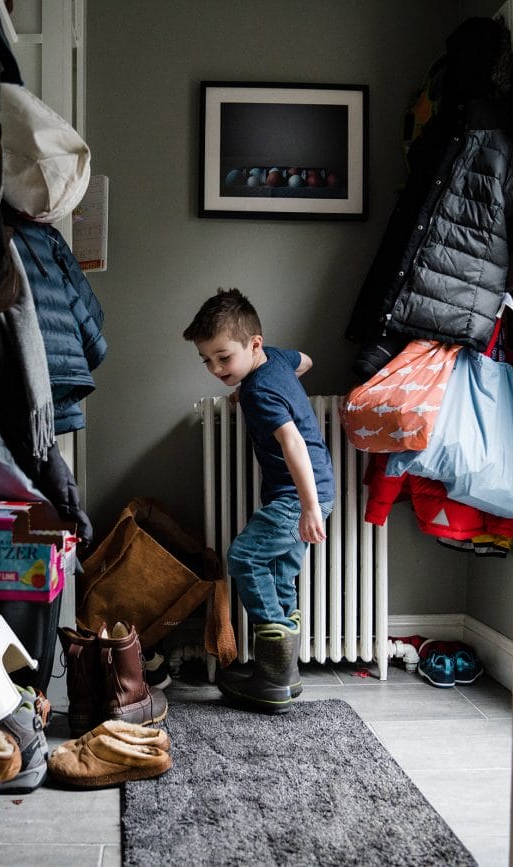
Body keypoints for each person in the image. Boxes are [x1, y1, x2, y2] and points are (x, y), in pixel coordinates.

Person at [182, 288, 335, 712]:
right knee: (282, 576)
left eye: (224, 357)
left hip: (296, 495)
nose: (215, 368)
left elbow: (293, 446)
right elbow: (305, 360)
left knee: (245, 557)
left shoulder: (258, 392)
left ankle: (271, 676)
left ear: (254, 344)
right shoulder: (277, 364)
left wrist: (305, 506)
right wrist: (257, 379)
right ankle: (285, 677)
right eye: (208, 360)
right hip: (321, 487)